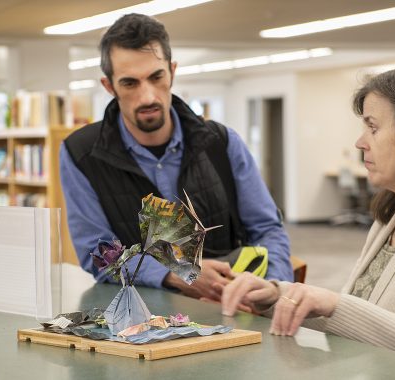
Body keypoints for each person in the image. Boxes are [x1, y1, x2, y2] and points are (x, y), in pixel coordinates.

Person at [221, 68, 395, 378]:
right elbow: (367, 321)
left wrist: (334, 304)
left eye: (373, 128)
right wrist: (280, 296)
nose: (360, 142)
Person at [59, 13, 293, 302]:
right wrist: (178, 273)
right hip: (140, 326)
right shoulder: (80, 154)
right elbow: (99, 253)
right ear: (109, 87)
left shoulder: (221, 142)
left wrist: (273, 287)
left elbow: (268, 229)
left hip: (234, 311)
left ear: (172, 71)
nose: (148, 97)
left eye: (156, 77)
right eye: (130, 83)